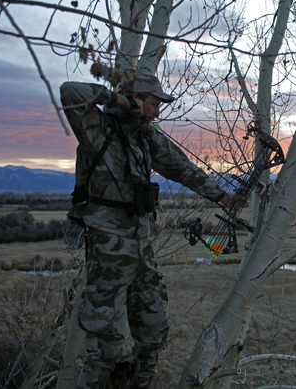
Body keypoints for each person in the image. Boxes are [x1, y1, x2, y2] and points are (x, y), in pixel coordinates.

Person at [60, 74, 232, 389]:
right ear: (137, 99)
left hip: (141, 249)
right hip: (109, 251)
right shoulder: (98, 129)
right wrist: (121, 101)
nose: (157, 112)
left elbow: (182, 167)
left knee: (153, 334)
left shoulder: (146, 135)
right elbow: (70, 91)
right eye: (153, 104)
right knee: (104, 349)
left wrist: (222, 196)